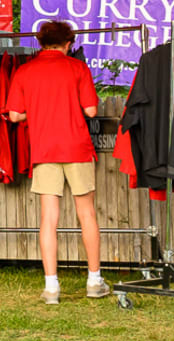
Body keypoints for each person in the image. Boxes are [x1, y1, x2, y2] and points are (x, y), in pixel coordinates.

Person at [6, 20, 106, 304]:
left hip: (44, 149)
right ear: (68, 44)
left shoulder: (25, 71)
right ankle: (94, 281)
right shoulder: (77, 68)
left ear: (41, 43)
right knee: (86, 213)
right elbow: (90, 110)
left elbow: (14, 115)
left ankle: (51, 288)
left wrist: (36, 111)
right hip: (76, 147)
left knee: (48, 218)